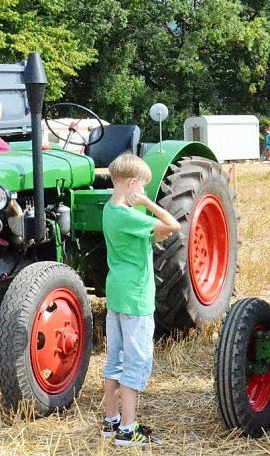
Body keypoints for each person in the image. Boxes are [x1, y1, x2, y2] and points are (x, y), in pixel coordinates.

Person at [101, 153, 181, 447]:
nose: (145, 192)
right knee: (135, 362)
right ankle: (127, 429)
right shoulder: (131, 215)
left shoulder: (110, 211)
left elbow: (151, 236)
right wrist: (147, 203)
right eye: (144, 187)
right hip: (136, 296)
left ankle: (110, 422)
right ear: (133, 183)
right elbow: (173, 226)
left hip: (117, 293)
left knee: (115, 360)